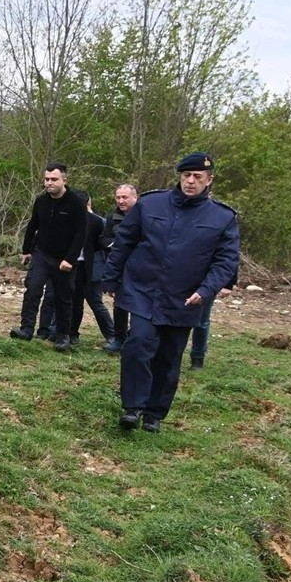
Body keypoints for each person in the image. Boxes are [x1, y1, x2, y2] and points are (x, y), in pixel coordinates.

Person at [103, 152, 239, 433]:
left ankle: (154, 413)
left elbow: (226, 261)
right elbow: (125, 240)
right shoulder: (151, 204)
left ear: (209, 180)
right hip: (144, 290)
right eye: (186, 175)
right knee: (138, 344)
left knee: (168, 355)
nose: (190, 181)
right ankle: (132, 407)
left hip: (186, 297)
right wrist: (111, 278)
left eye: (197, 177)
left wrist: (206, 289)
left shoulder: (222, 217)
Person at [10, 162, 86, 352]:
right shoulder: (41, 201)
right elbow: (32, 225)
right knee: (33, 289)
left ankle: (62, 336)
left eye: (54, 179)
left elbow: (81, 234)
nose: (49, 183)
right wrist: (26, 250)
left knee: (63, 297)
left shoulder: (75, 203)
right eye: (46, 179)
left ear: (64, 180)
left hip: (64, 258)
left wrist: (70, 258)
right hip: (42, 253)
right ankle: (26, 329)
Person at [68, 191, 115, 345]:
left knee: (95, 302)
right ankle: (72, 334)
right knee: (75, 302)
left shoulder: (98, 222)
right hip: (74, 266)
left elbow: (103, 244)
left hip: (93, 267)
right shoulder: (68, 219)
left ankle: (112, 335)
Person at [98, 184, 138, 352]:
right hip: (118, 266)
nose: (121, 201)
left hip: (139, 268)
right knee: (119, 305)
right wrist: (115, 245)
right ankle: (119, 338)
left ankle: (135, 339)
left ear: (135, 198)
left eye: (124, 197)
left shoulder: (145, 215)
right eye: (118, 197)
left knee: (138, 306)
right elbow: (103, 239)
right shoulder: (112, 217)